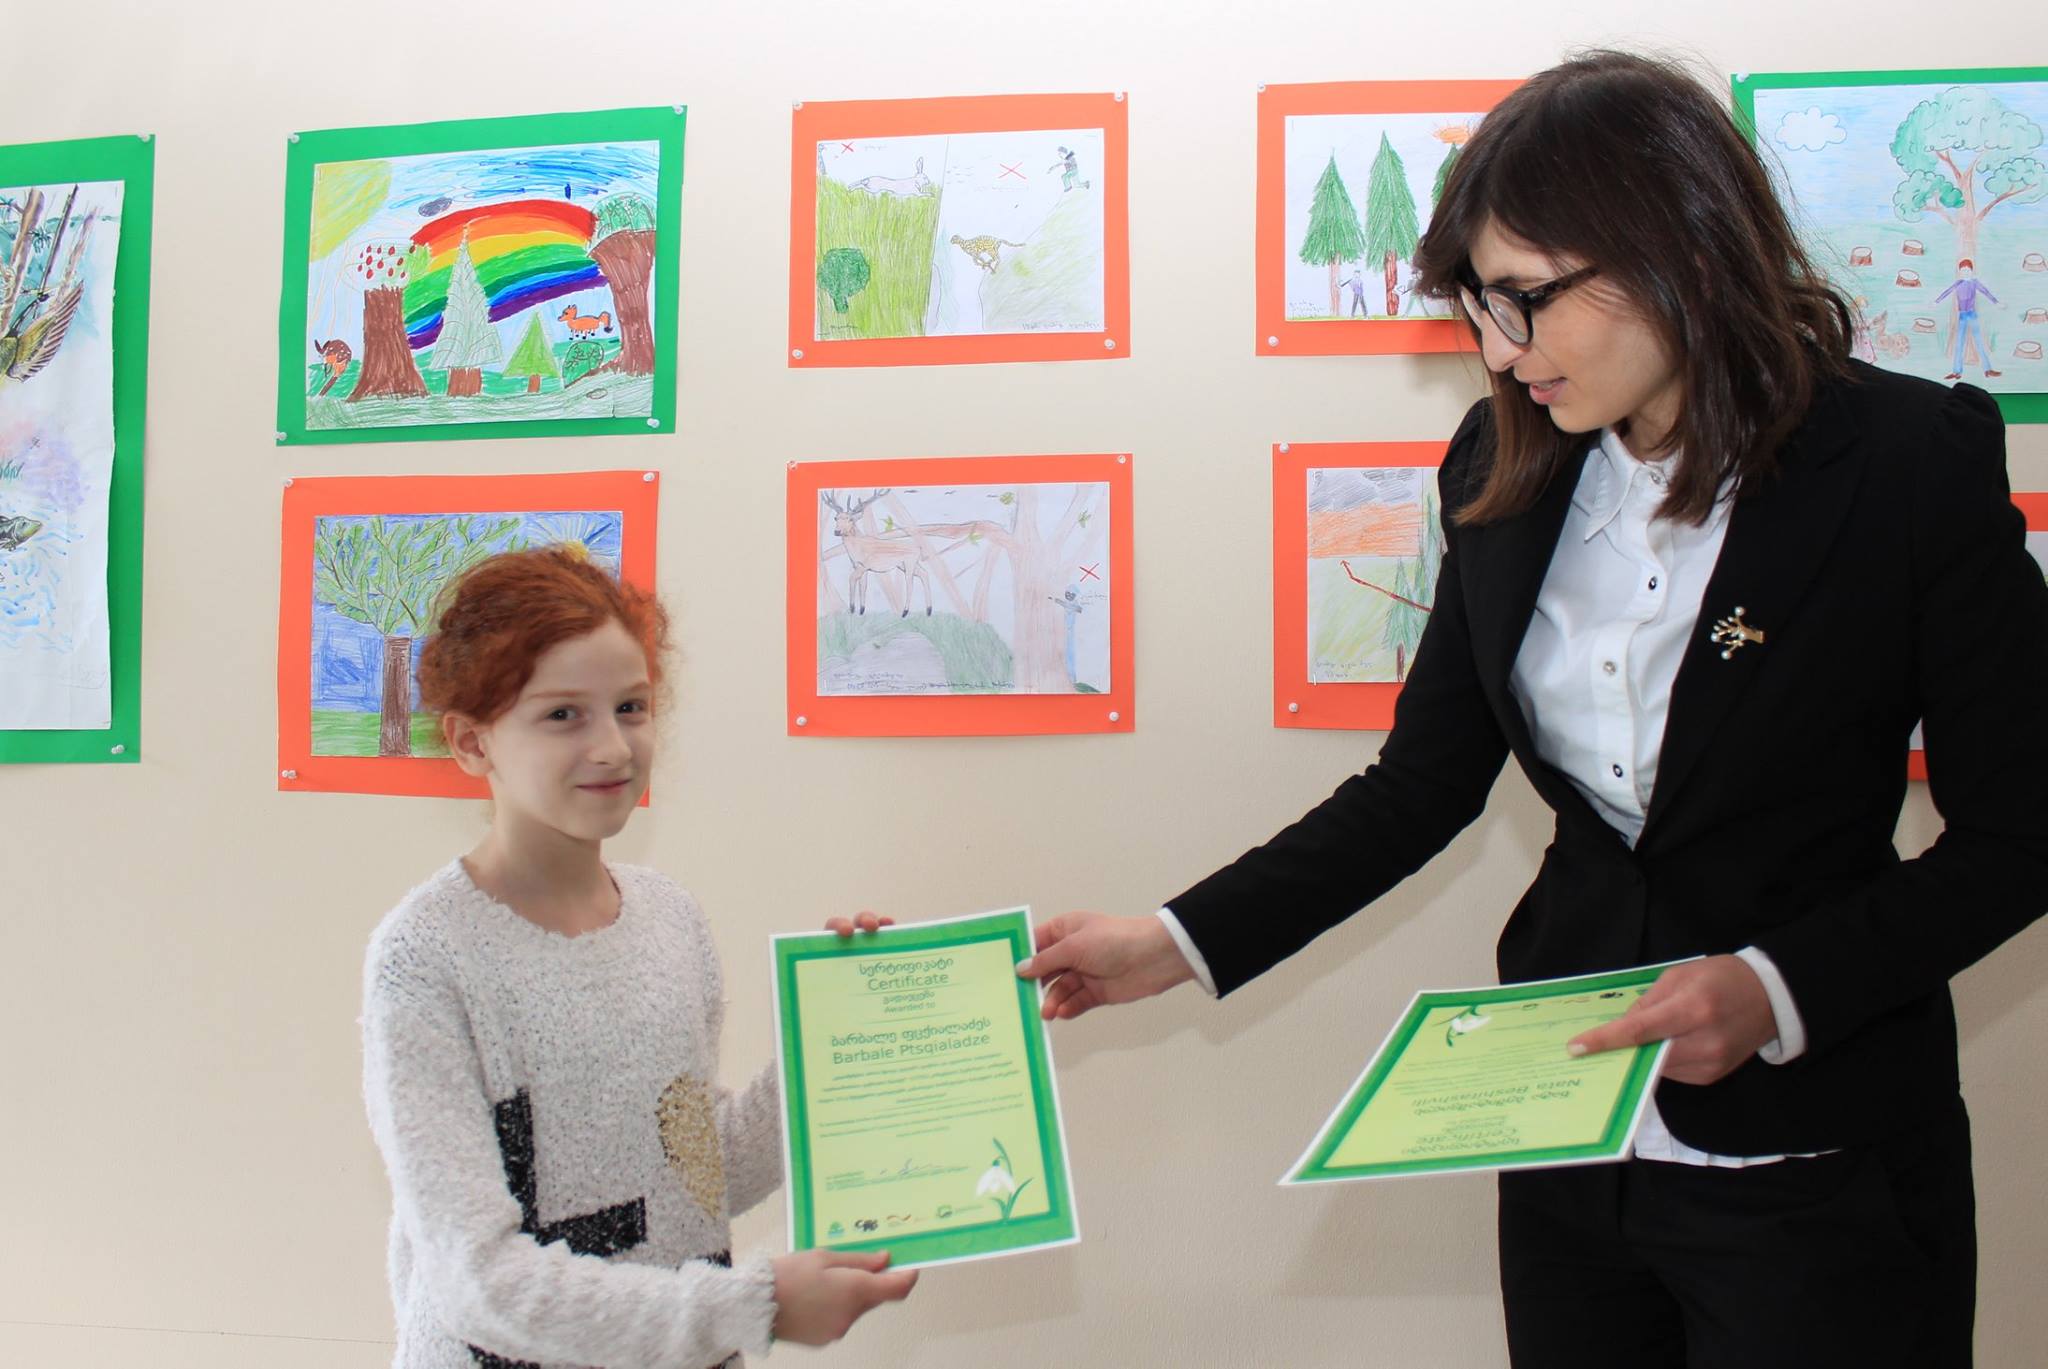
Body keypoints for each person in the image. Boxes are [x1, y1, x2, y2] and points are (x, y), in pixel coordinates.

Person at [1017, 51, 2048, 1368]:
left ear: (1679, 248)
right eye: (1476, 307)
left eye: (1525, 299)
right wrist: (1173, 940)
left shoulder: (1904, 465)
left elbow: (2021, 831)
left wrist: (1776, 987)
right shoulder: (1500, 460)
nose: (1500, 353)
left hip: (1818, 1158)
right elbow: (1420, 785)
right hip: (1568, 1139)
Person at [360, 548, 916, 1368]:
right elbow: (476, 1281)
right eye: (563, 714)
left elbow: (695, 1172)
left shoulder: (670, 917)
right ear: (472, 741)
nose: (613, 747)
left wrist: (835, 1034)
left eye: (631, 707)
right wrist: (752, 1303)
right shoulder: (423, 959)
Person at [1936, 259, 2003, 381]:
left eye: (1967, 270)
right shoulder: (1958, 283)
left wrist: (1996, 302)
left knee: (1979, 342)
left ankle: (1988, 369)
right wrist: (1936, 302)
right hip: (1962, 316)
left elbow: (1986, 292)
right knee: (1959, 343)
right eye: (1963, 271)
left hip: (1972, 315)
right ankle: (1956, 372)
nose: (1965, 273)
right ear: (1959, 272)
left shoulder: (1974, 282)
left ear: (1971, 271)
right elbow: (1947, 292)